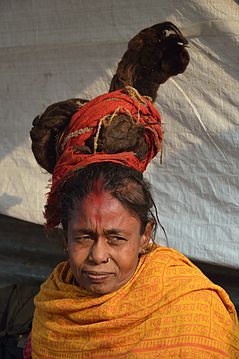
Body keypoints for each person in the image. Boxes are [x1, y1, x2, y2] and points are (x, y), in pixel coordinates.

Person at [27, 23, 239, 358]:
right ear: (64, 234)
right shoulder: (53, 305)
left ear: (145, 236)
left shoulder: (192, 311)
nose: (98, 256)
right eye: (83, 236)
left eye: (116, 237)